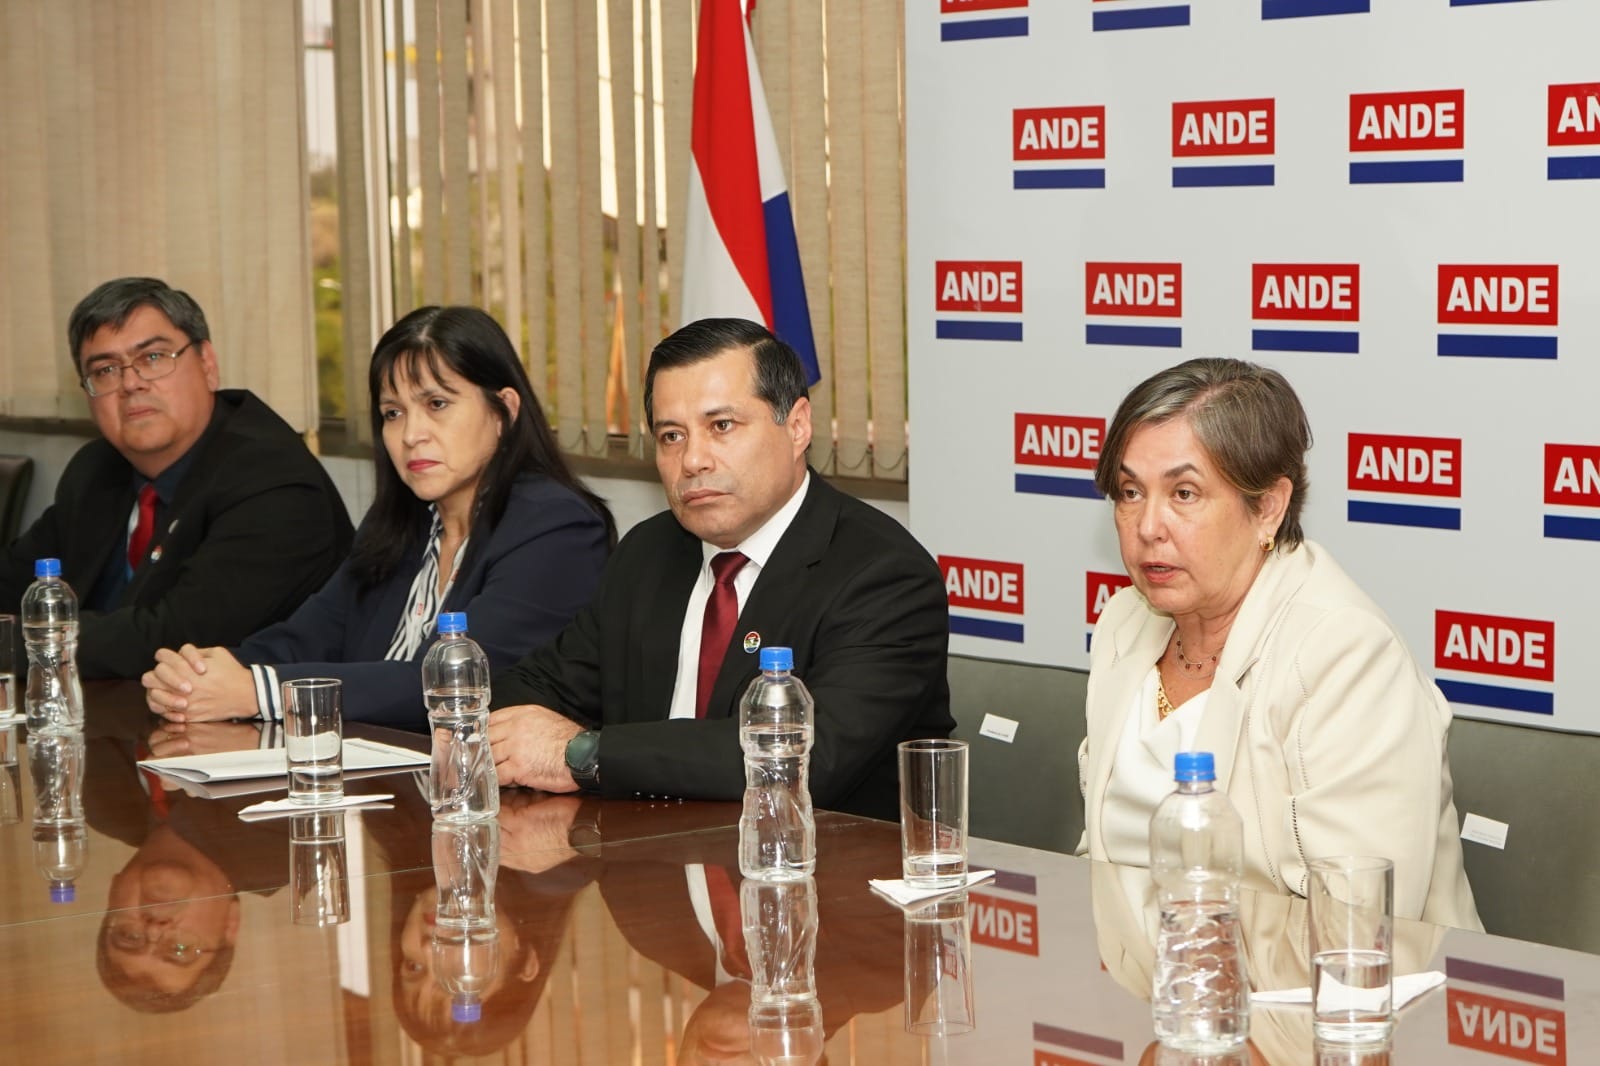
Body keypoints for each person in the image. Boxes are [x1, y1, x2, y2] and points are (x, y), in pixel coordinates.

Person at [487, 318, 951, 819]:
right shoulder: (649, 553)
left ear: (797, 427)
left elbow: (800, 760)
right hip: (646, 854)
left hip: (816, 860)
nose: (692, 460)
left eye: (721, 426)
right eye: (671, 436)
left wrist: (582, 754)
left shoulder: (884, 575)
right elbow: (527, 692)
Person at [1077, 357, 1480, 929]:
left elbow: (1360, 922)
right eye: (1130, 491)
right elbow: (1100, 862)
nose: (1147, 526)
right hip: (1148, 976)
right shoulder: (1125, 622)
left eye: (1184, 493)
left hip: (1325, 981)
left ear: (1267, 506)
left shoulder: (1346, 653)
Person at [140, 306, 613, 730]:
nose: (411, 434)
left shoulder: (557, 528)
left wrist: (259, 691)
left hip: (490, 790)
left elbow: (452, 682)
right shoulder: (401, 526)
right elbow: (304, 639)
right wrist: (198, 676)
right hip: (378, 780)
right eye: (393, 413)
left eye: (437, 404)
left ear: (503, 411)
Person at [0, 277, 353, 679]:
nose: (130, 383)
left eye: (153, 357)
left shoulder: (274, 481)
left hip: (254, 714)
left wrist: (17, 641)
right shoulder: (97, 468)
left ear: (207, 365)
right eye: (106, 369)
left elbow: (173, 640)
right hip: (106, 706)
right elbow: (14, 581)